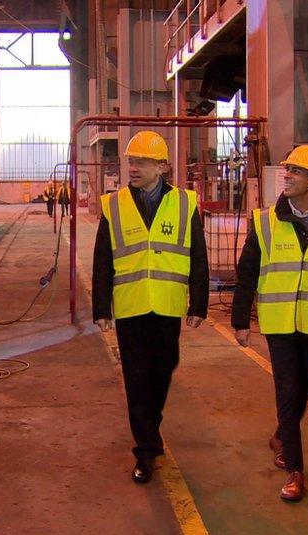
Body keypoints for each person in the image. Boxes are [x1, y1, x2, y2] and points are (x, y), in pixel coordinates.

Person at [231, 145, 308, 502]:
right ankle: (295, 469)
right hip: (279, 321)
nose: (286, 176)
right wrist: (241, 319)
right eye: (287, 170)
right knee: (288, 388)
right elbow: (247, 272)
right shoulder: (266, 221)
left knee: (304, 386)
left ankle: (282, 435)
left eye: (296, 172)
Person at [92, 130, 209, 484]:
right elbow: (102, 262)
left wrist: (199, 303)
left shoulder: (186, 203)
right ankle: (145, 449)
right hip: (130, 308)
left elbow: (198, 258)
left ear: (162, 166)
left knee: (162, 371)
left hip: (168, 305)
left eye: (141, 162)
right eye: (130, 162)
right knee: (137, 378)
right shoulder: (113, 205)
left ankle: (150, 426)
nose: (133, 168)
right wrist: (101, 308)